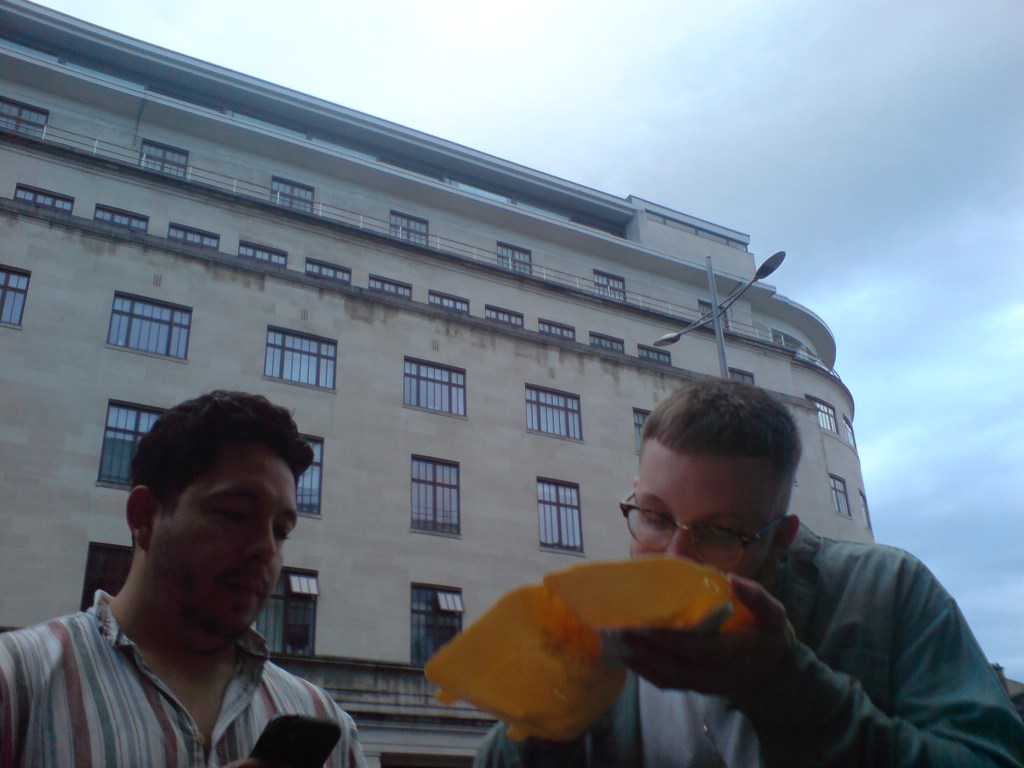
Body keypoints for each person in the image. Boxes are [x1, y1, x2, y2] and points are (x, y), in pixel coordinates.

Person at [475, 378, 1024, 767]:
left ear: (780, 540)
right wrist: (548, 715)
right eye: (655, 517)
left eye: (719, 533)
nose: (675, 559)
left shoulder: (885, 591)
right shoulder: (604, 626)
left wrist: (785, 685)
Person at [0, 390, 366, 767]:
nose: (267, 549)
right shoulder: (16, 685)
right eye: (235, 514)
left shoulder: (328, 724)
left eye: (281, 531)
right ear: (145, 516)